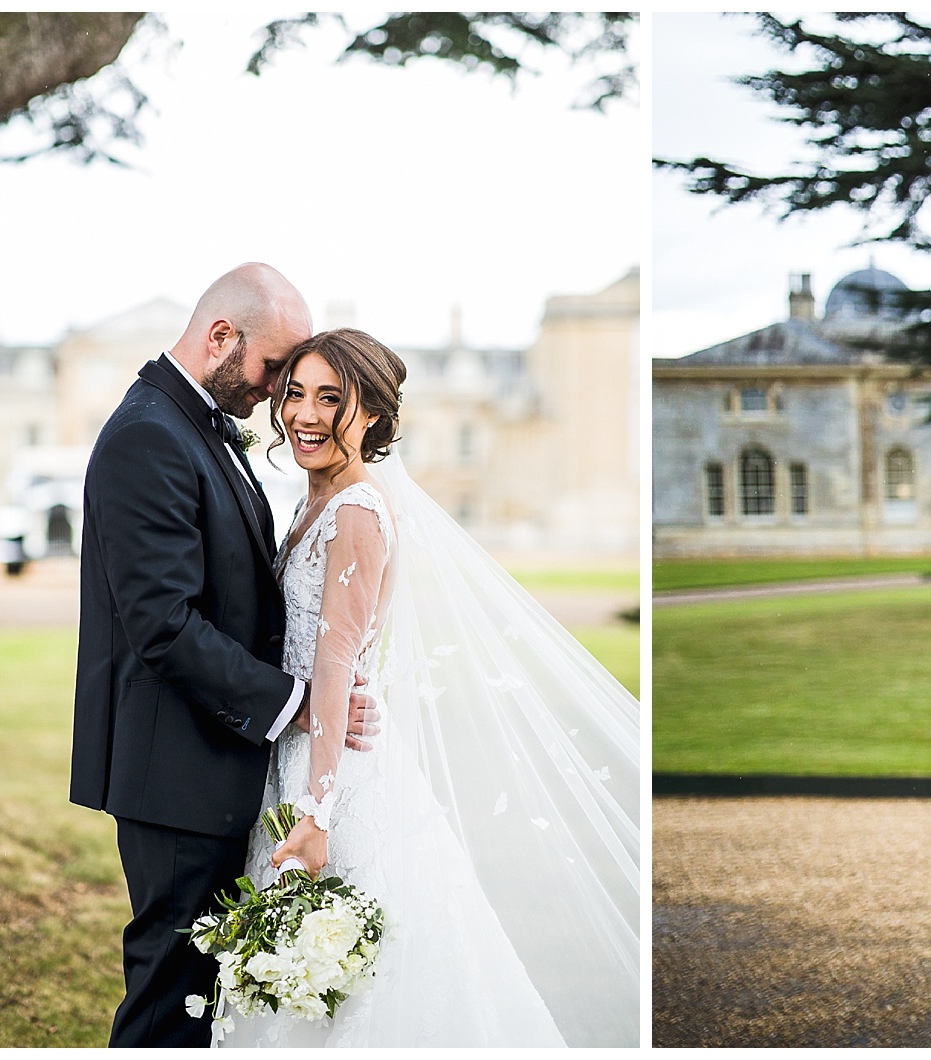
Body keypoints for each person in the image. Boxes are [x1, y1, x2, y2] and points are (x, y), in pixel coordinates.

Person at [217, 329, 640, 1046]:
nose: (304, 415)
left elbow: (337, 661)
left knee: (353, 978)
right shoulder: (317, 499)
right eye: (294, 395)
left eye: (330, 400)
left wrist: (316, 813)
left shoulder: (355, 510)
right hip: (299, 749)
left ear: (374, 417)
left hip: (332, 778)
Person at [70, 264, 382, 1048]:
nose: (281, 396)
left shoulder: (194, 422)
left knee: (204, 997)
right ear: (220, 337)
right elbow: (165, 625)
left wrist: (331, 686)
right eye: (277, 371)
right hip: (175, 773)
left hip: (215, 761)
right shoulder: (150, 433)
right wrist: (304, 701)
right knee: (170, 1000)